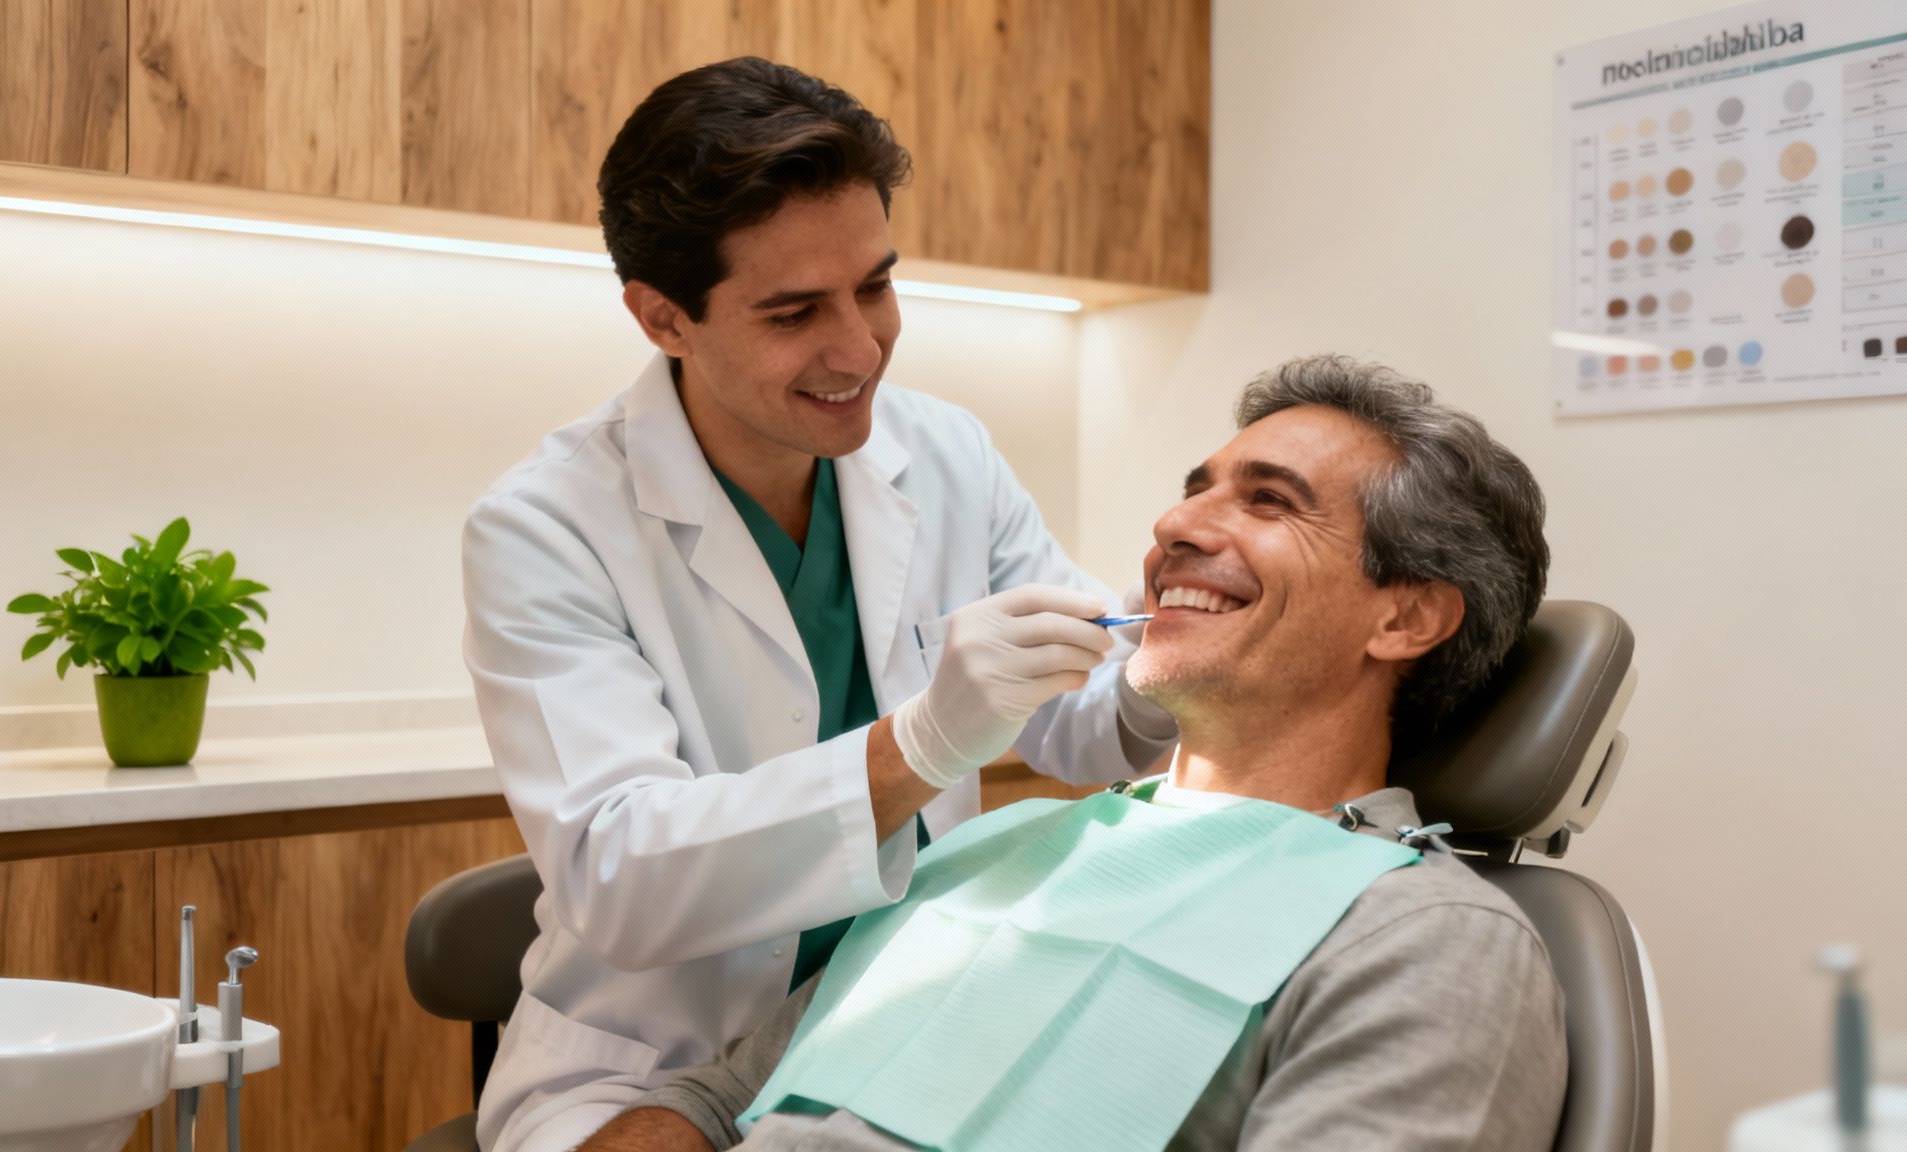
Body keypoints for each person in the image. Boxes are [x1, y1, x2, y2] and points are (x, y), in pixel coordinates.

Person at [578, 355, 1569, 1152]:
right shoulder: (993, 847)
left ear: (1404, 616)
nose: (1175, 525)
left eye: (1266, 501)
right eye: (1194, 491)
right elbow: (712, 1106)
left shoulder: (1421, 938)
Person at [460, 58, 1178, 1152]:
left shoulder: (943, 453)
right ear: (663, 319)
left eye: (876, 287)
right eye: (794, 312)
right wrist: (920, 746)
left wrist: (1182, 643)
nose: (859, 349)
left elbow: (1085, 724)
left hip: (902, 1020)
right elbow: (621, 876)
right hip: (651, 1059)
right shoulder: (545, 527)